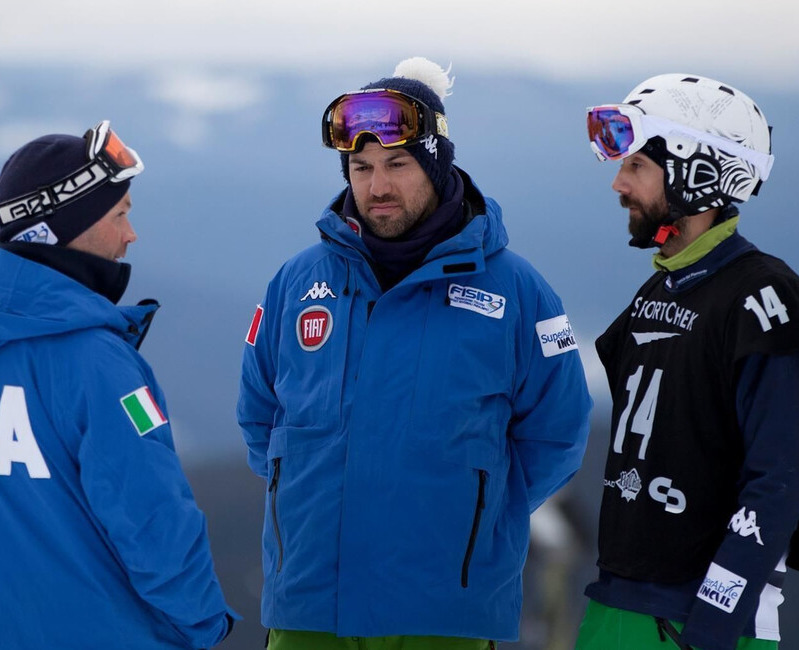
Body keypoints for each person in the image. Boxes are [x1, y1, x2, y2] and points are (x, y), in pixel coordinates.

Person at [236, 57, 592, 649]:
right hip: (309, 603)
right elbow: (258, 416)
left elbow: (557, 433)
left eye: (397, 165)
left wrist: (475, 512)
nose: (377, 187)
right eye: (361, 168)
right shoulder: (296, 284)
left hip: (444, 612)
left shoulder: (516, 292)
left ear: (436, 164)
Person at [0, 122, 238, 649]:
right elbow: (151, 515)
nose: (131, 234)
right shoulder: (95, 361)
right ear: (68, 227)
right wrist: (203, 622)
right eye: (120, 215)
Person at [577, 74, 799, 650]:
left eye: (637, 166)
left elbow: (779, 478)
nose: (619, 183)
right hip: (615, 602)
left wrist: (715, 618)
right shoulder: (660, 290)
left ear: (698, 173)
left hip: (696, 620)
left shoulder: (765, 299)